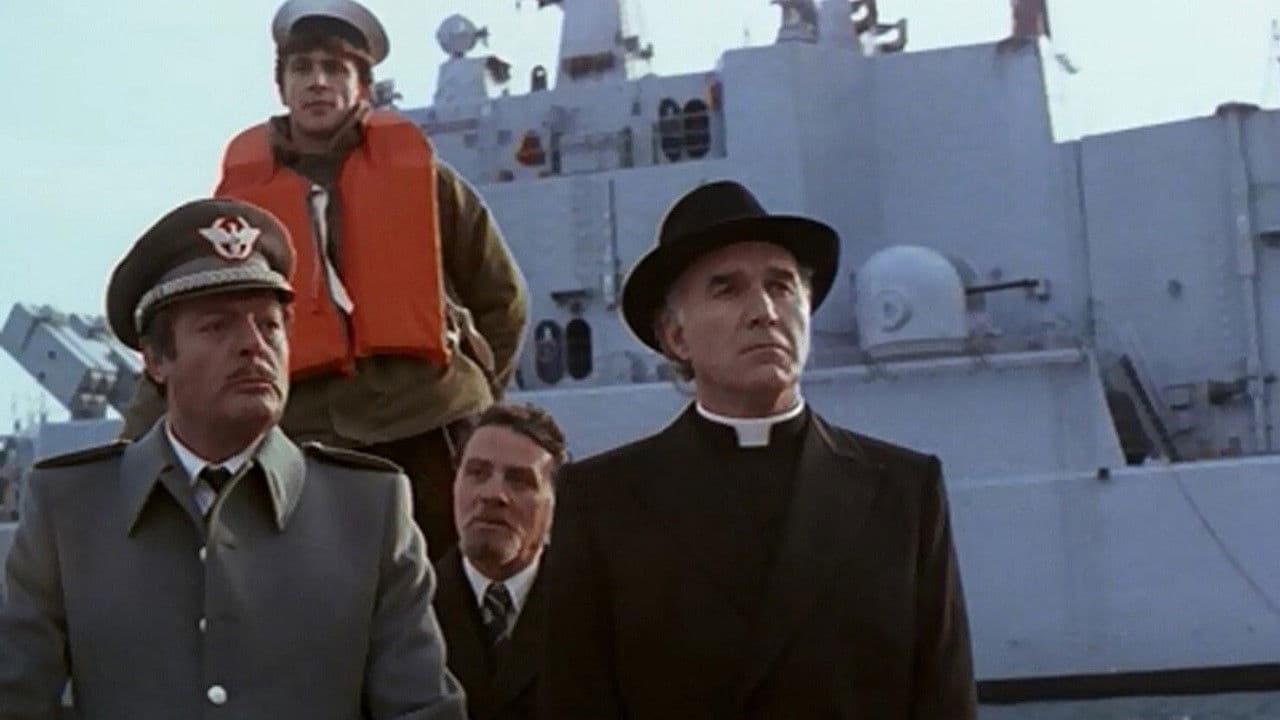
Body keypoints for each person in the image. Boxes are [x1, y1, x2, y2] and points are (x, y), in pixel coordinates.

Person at [0, 198, 465, 719]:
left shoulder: (368, 509)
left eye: (270, 326)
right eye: (217, 327)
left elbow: (422, 710)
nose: (253, 345)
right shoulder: (70, 509)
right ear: (155, 360)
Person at [540, 180, 977, 719]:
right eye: (727, 289)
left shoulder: (904, 492)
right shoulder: (601, 502)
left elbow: (944, 699)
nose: (765, 311)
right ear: (675, 336)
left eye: (781, 286)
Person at [119, 0, 528, 560]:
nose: (318, 82)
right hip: (306, 439)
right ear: (283, 86)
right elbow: (189, 326)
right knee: (317, 595)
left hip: (429, 427)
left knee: (448, 590)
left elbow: (502, 299)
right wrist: (130, 447)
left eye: (336, 69)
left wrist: (475, 396)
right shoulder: (238, 212)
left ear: (362, 87)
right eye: (302, 68)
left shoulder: (429, 183)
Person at [433, 403, 565, 720]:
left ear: (555, 504)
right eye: (477, 473)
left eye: (519, 480)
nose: (493, 494)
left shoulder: (594, 608)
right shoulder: (408, 606)